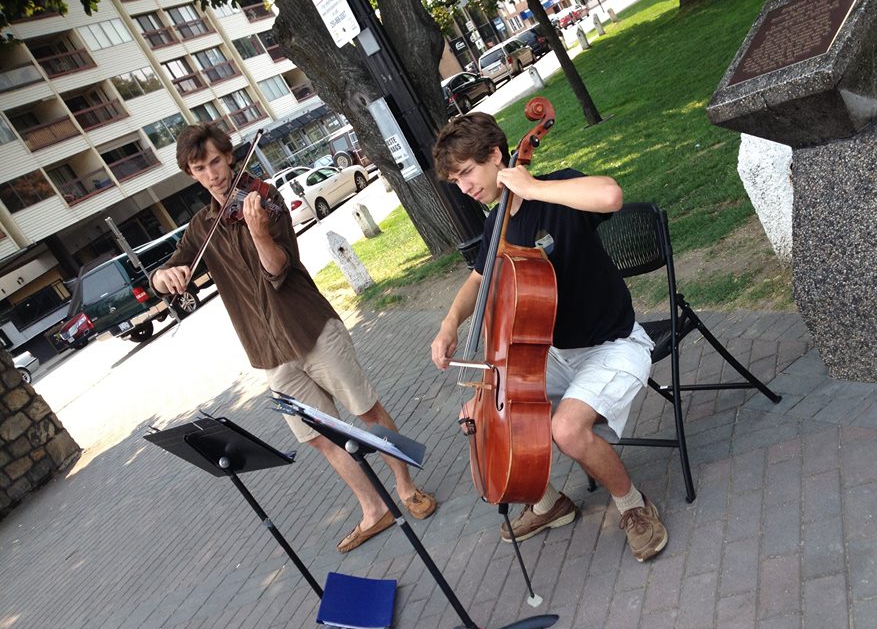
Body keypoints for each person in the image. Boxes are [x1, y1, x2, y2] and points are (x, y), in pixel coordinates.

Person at [153, 124, 436, 553]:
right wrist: (164, 277)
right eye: (200, 168)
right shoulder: (200, 227)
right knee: (318, 436)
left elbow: (278, 269)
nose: (212, 174)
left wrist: (259, 233)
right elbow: (167, 271)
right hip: (268, 350)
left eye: (215, 161)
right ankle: (373, 508)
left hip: (310, 328)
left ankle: (406, 487)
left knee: (367, 411)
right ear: (190, 174)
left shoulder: (265, 200)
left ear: (228, 156)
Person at [429, 113, 667, 562]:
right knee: (479, 415)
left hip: (613, 344)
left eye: (467, 173)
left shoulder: (556, 189)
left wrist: (534, 187)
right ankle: (548, 502)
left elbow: (611, 195)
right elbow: (479, 279)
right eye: (455, 180)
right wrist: (449, 323)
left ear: (495, 156)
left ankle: (632, 505)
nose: (464, 187)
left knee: (566, 430)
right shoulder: (497, 224)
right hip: (553, 353)